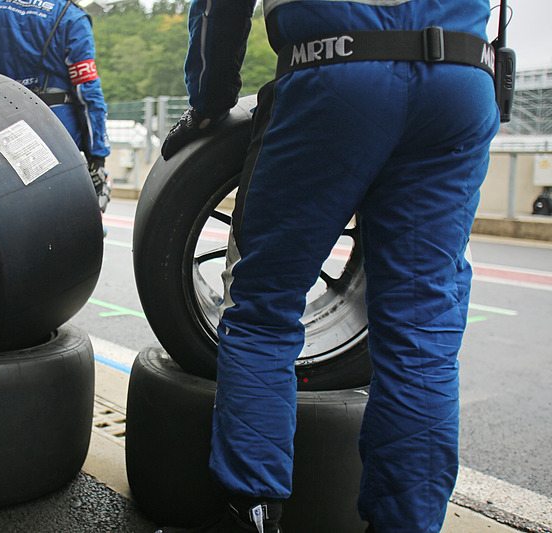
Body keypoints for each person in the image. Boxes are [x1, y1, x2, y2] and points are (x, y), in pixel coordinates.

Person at [157, 0, 501, 531]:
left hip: (335, 69)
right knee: (421, 334)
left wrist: (209, 102)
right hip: (460, 79)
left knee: (263, 309)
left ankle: (249, 514)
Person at [0, 0, 111, 212]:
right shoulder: (71, 16)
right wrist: (97, 157)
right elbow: (88, 94)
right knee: (65, 218)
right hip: (57, 137)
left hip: (4, 131)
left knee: (10, 215)